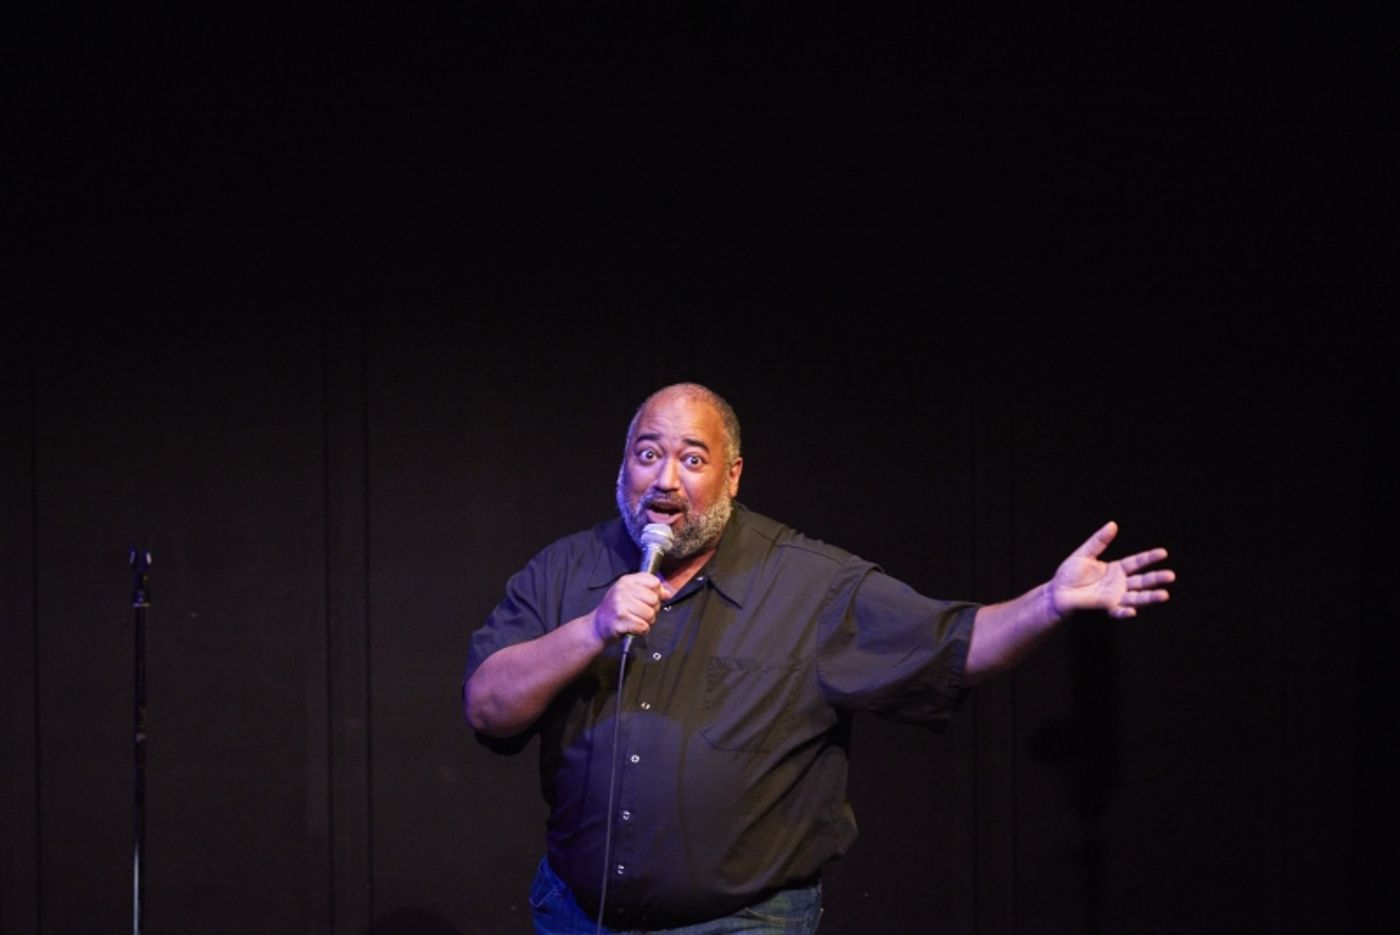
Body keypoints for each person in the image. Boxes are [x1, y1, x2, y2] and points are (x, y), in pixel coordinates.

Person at [462, 382, 1175, 934]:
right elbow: (489, 708)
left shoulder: (811, 582)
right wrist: (591, 629)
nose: (666, 480)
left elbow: (953, 646)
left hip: (743, 923)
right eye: (648, 454)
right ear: (624, 466)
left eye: (693, 458)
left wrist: (1048, 603)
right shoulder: (565, 571)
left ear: (733, 476)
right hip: (576, 916)